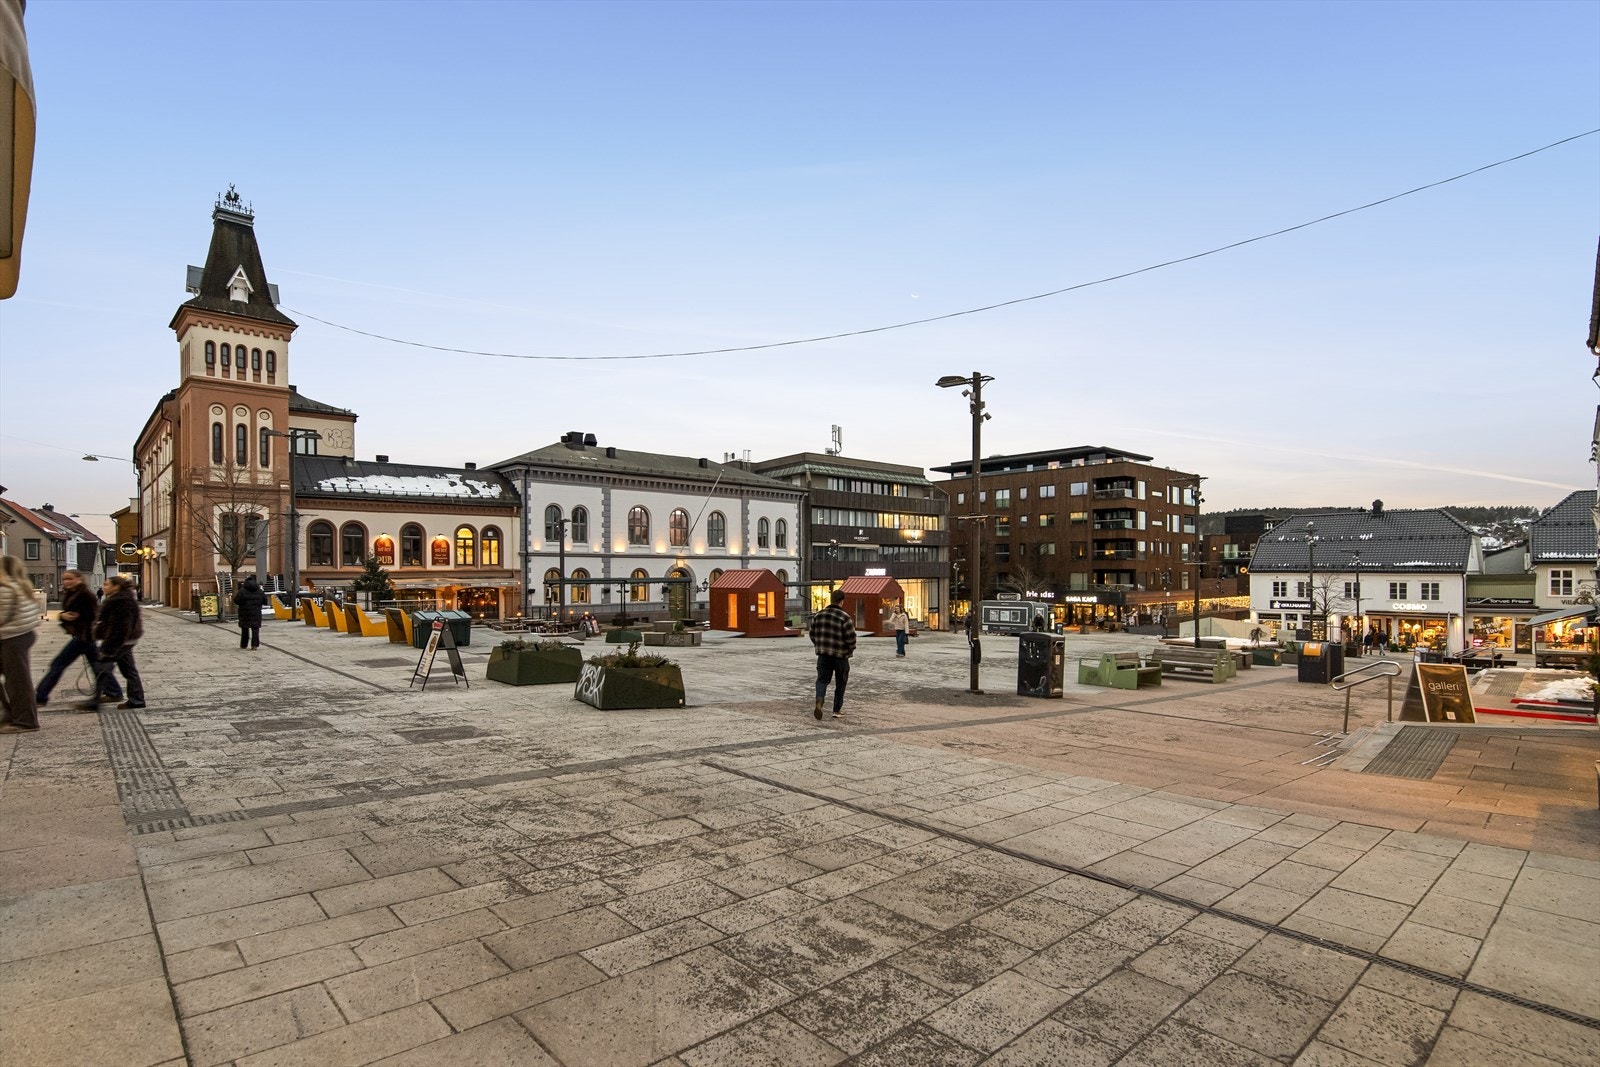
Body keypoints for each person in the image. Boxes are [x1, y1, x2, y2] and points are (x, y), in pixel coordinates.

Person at [36, 569, 118, 706]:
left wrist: (73, 616)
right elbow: (67, 613)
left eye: (70, 579)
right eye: (64, 579)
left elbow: (93, 616)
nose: (66, 582)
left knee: (58, 664)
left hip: (83, 636)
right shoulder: (71, 593)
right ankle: (114, 691)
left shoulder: (85, 595)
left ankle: (41, 696)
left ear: (79, 579)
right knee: (96, 665)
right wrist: (62, 616)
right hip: (83, 636)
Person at [81, 575, 145, 711]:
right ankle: (136, 699)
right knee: (128, 670)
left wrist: (109, 648)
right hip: (126, 640)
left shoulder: (121, 601)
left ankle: (96, 701)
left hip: (121, 640)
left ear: (116, 586)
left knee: (102, 668)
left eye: (107, 584)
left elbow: (121, 627)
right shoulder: (121, 599)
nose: (104, 587)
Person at [0, 556, 42, 733]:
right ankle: (11, 714)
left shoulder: (5, 589)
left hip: (11, 638)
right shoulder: (23, 586)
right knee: (18, 680)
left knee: (18, 682)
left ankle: (25, 721)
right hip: (22, 635)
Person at [808, 588, 856, 720]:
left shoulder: (818, 615)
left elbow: (812, 634)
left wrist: (820, 645)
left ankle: (819, 699)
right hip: (840, 656)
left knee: (822, 680)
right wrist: (850, 649)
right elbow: (851, 637)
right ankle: (836, 709)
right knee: (841, 682)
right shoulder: (844, 617)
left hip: (823, 655)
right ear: (842, 601)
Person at [233, 575, 266, 650]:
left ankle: (244, 644)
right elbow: (265, 600)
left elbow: (236, 600)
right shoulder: (259, 591)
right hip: (256, 612)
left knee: (245, 628)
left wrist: (243, 604)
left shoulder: (242, 591)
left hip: (244, 612)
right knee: (255, 629)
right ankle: (254, 645)